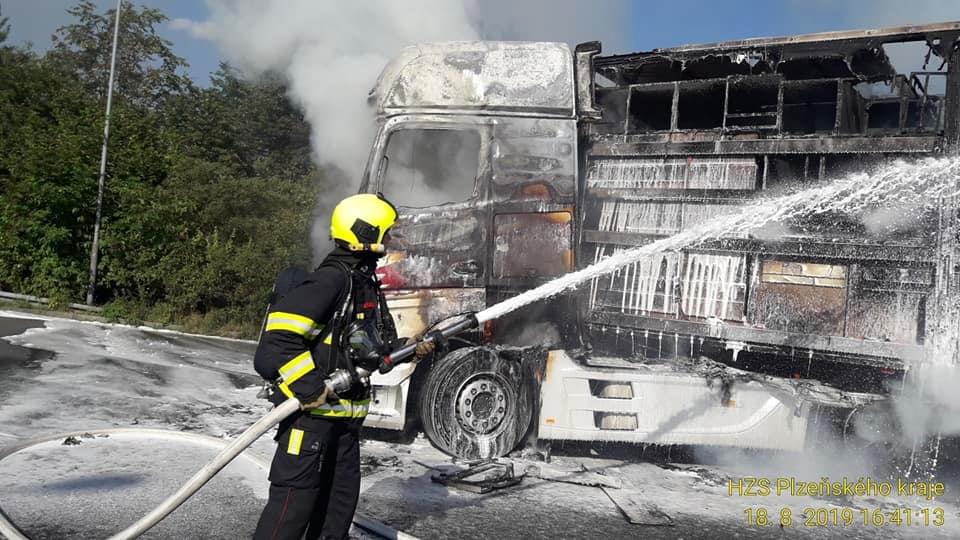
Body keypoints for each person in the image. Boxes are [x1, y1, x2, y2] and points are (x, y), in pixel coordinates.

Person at [252, 193, 432, 540]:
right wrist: (310, 387)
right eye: (386, 232)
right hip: (310, 425)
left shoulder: (363, 283)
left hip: (344, 428)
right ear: (366, 233)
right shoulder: (330, 281)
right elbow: (280, 337)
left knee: (335, 516)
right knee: (290, 516)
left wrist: (409, 349)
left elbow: (369, 350)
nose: (391, 239)